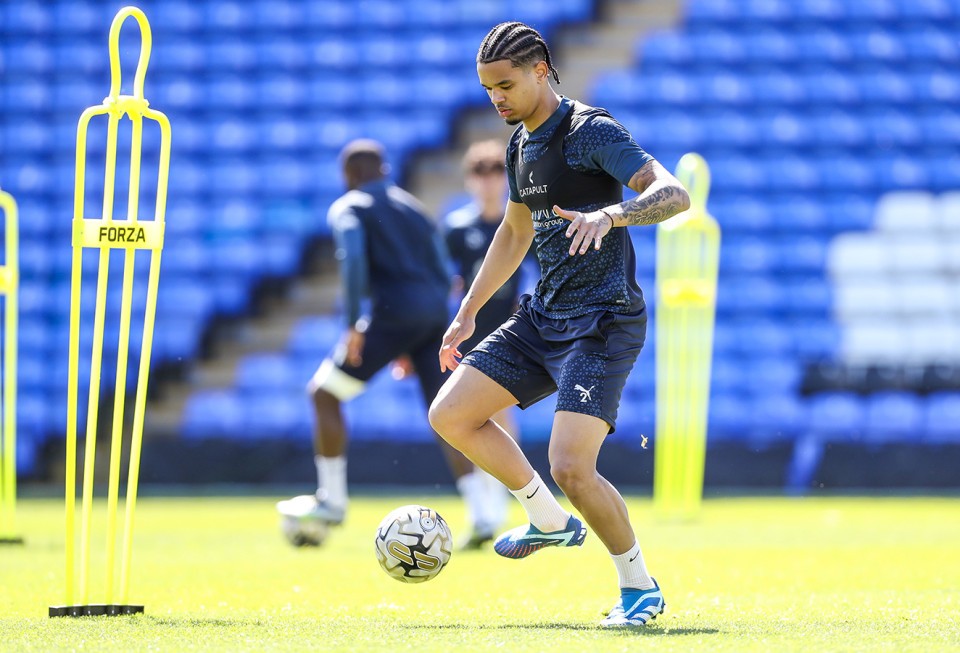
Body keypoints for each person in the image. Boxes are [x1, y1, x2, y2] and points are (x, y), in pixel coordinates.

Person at [427, 22, 691, 627]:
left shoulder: (590, 130)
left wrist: (613, 214)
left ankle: (639, 587)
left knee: (571, 465)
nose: (496, 98)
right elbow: (515, 231)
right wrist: (468, 312)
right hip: (544, 316)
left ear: (541, 70)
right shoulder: (519, 144)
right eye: (488, 89)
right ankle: (546, 518)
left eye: (505, 85)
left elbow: (675, 194)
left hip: (603, 320)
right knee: (450, 414)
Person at [277, 139, 499, 543]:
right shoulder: (414, 208)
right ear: (384, 170)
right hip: (432, 320)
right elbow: (443, 273)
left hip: (392, 316)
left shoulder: (348, 207)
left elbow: (352, 259)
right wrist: (424, 333)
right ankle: (482, 514)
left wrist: (352, 325)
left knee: (324, 394)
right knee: (447, 414)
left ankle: (332, 500)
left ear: (348, 175)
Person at [443, 140, 524, 548]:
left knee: (500, 414)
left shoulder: (518, 223)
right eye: (480, 172)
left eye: (495, 171)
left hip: (508, 331)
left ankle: (501, 502)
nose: (488, 181)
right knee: (465, 416)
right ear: (469, 180)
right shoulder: (458, 228)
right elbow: (447, 280)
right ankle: (484, 509)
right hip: (469, 334)